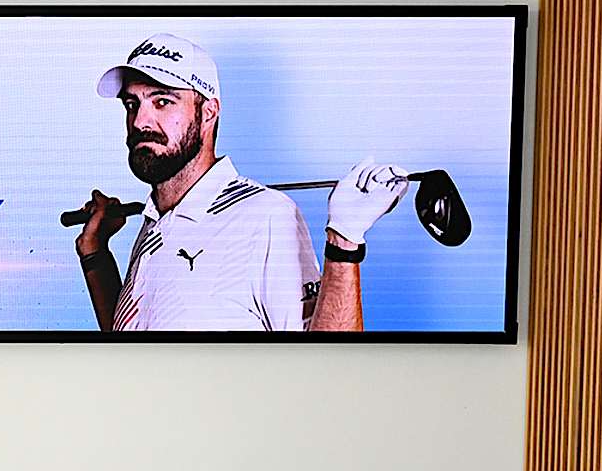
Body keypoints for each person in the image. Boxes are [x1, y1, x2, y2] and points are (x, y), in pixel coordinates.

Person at [73, 33, 408, 332]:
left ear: (207, 112)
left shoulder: (266, 217)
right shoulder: (154, 223)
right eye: (132, 104)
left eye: (163, 101)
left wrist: (344, 239)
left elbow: (331, 366)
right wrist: (95, 251)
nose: (140, 121)